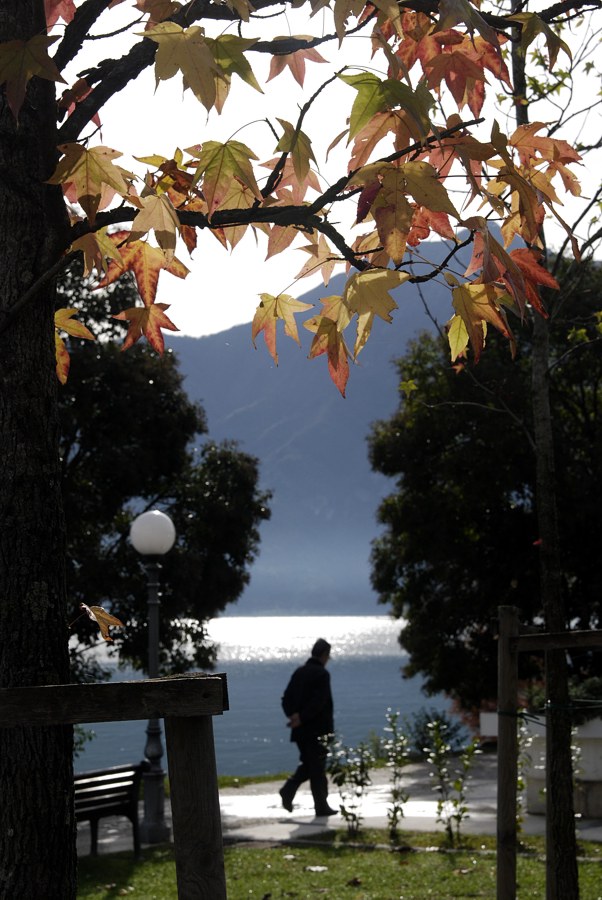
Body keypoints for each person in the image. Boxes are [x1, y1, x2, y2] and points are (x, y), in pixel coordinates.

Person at [279, 638, 337, 817]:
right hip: (317, 730)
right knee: (317, 768)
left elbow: (286, 698)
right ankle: (319, 805)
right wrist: (302, 718)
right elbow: (319, 703)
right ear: (324, 655)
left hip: (300, 731)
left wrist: (293, 716)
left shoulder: (299, 672)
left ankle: (291, 790)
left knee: (311, 765)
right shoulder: (322, 674)